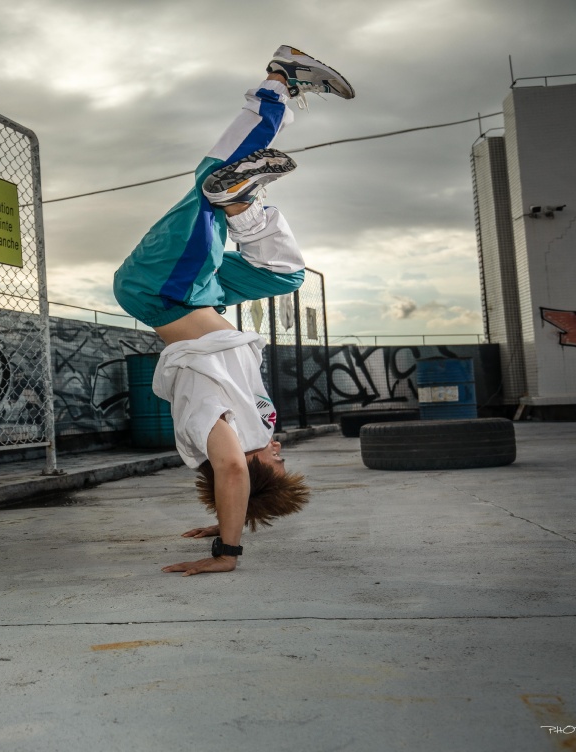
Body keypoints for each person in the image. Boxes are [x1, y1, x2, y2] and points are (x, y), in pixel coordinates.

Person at [113, 46, 354, 576]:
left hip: (160, 289)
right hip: (198, 294)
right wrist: (230, 518)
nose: (281, 447)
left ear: (254, 467)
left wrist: (226, 550)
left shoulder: (216, 435)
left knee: (210, 187)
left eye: (279, 460)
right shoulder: (255, 429)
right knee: (283, 275)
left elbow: (230, 470)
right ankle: (240, 197)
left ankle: (279, 84)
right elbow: (238, 479)